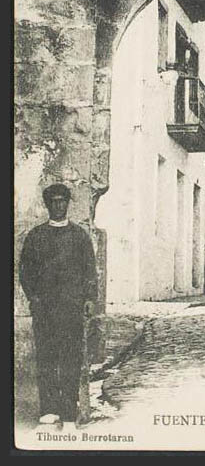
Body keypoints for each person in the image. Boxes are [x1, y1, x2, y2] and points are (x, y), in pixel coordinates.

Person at [19, 183, 98, 429]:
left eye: (62, 201)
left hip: (71, 308)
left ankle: (68, 410)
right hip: (44, 309)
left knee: (71, 358)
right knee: (46, 357)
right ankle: (49, 410)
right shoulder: (36, 236)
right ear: (47, 205)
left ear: (67, 203)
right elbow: (25, 271)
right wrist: (34, 297)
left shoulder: (79, 236)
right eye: (54, 201)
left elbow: (89, 269)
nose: (58, 206)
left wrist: (89, 299)